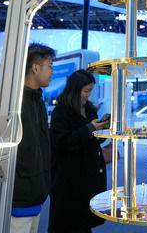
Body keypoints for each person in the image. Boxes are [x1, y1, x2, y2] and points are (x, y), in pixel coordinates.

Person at [0, 43, 55, 233]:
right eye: (50, 66)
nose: (52, 71)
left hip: (34, 200)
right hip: (13, 204)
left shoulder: (37, 103)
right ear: (36, 68)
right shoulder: (10, 104)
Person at [48, 69, 110, 233]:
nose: (88, 95)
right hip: (69, 180)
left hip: (88, 177)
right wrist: (89, 128)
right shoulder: (61, 112)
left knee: (84, 223)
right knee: (67, 223)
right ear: (75, 90)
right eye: (86, 91)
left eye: (90, 91)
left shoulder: (89, 109)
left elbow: (95, 141)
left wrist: (103, 127)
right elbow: (62, 142)